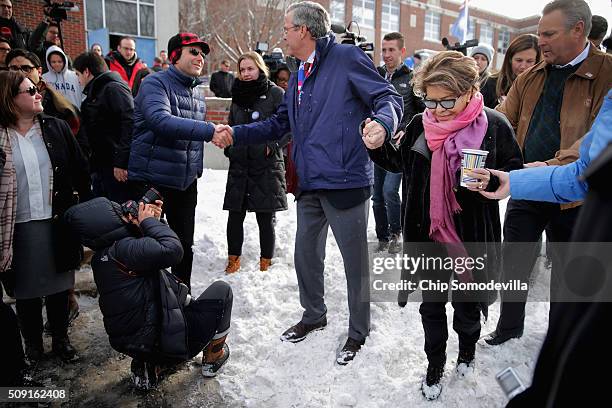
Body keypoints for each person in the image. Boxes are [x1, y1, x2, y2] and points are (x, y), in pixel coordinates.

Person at [215, 1, 403, 365]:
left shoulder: (346, 58)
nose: (282, 35)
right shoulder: (299, 69)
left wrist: (383, 123)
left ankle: (358, 331)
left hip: (345, 180)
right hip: (310, 182)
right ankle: (314, 315)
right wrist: (235, 133)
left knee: (354, 265)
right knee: (305, 256)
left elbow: (387, 97)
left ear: (303, 30)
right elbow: (278, 124)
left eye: (286, 28)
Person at [365, 51, 522, 401]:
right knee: (431, 305)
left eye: (446, 101)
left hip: (472, 236)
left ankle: (467, 352)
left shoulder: (494, 125)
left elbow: (515, 173)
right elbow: (398, 161)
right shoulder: (421, 123)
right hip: (427, 233)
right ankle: (434, 363)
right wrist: (376, 145)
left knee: (468, 305)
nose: (436, 110)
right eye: (430, 100)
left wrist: (493, 183)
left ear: (470, 90)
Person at [486, 0, 612, 347]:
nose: (540, 40)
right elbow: (503, 119)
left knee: (568, 268)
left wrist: (553, 166)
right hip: (526, 186)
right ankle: (509, 327)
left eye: (548, 33)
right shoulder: (531, 76)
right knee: (515, 262)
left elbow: (596, 143)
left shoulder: (607, 74)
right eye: (539, 33)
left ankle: (559, 335)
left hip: (575, 195)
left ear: (578, 30)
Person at [480, 89, 612, 408]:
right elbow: (581, 174)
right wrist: (517, 181)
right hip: (593, 233)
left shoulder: (601, 72)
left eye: (550, 33)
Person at [64, 196, 233, 389]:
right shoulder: (126, 249)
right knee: (222, 291)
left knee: (171, 303)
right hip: (159, 340)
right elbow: (172, 250)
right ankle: (213, 358)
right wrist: (147, 222)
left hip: (132, 342)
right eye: (121, 213)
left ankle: (149, 366)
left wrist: (156, 222)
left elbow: (153, 251)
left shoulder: (103, 257)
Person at [0, 70, 91, 363]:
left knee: (59, 285)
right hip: (17, 226)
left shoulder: (56, 128)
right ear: (10, 100)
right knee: (25, 292)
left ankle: (61, 341)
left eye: (37, 88)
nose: (39, 94)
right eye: (30, 91)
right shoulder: (2, 137)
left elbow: (80, 170)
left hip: (56, 221)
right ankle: (34, 347)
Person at [128, 32, 231, 291]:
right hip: (153, 180)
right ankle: (147, 300)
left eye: (202, 54)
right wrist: (210, 131)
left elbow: (190, 136)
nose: (200, 57)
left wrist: (195, 170)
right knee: (150, 243)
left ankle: (181, 297)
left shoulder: (197, 93)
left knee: (184, 244)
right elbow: (160, 121)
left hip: (185, 184)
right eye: (193, 51)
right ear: (175, 56)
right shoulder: (155, 83)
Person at [223, 51, 286, 274]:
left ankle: (265, 262)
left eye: (250, 69)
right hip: (240, 162)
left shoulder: (276, 93)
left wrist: (273, 145)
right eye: (242, 70)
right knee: (235, 214)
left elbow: (288, 126)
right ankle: (233, 260)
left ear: (260, 69)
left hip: (266, 164)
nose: (246, 73)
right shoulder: (237, 96)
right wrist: (230, 148)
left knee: (265, 216)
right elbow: (231, 124)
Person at [375, 31, 424, 254]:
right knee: (376, 195)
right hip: (377, 144)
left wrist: (406, 130)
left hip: (399, 148)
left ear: (402, 51)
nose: (386, 54)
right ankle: (382, 236)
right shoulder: (375, 75)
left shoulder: (412, 78)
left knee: (389, 192)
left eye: (391, 50)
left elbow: (423, 113)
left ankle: (396, 233)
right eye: (383, 50)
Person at [73, 51, 134, 204]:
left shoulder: (113, 88)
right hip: (102, 166)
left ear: (87, 72)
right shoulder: (97, 91)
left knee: (118, 213)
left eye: (77, 74)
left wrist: (121, 162)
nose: (77, 79)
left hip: (114, 168)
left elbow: (129, 124)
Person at [6, 49, 80, 138]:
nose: (19, 74)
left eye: (26, 68)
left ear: (39, 71)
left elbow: (79, 146)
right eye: (14, 69)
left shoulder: (62, 109)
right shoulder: (4, 104)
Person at [494, 34, 541, 104]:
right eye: (519, 60)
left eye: (529, 61)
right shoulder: (492, 83)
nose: (523, 66)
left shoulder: (542, 87)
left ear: (537, 62)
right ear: (510, 59)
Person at [469, 43, 497, 108]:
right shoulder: (462, 77)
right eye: (476, 58)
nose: (478, 62)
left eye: (483, 59)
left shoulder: (492, 82)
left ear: (488, 63)